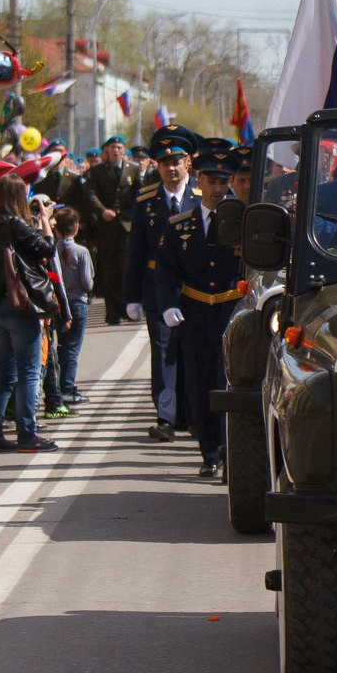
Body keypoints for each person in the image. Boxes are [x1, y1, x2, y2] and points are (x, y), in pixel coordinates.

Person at [164, 143, 249, 482]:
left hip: (232, 312)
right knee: (200, 387)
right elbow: (167, 269)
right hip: (195, 312)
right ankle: (209, 453)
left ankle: (233, 452)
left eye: (223, 182)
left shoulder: (243, 220)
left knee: (231, 387)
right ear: (199, 180)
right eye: (211, 182)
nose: (218, 189)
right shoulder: (180, 225)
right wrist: (169, 303)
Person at [0, 174, 61, 454]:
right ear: (19, 197)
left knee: (7, 370)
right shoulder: (15, 224)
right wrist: (45, 219)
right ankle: (27, 434)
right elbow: (47, 249)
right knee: (29, 371)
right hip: (21, 305)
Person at [125, 129, 204, 440]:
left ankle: (193, 415)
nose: (171, 169)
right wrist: (131, 296)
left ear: (188, 164)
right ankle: (166, 418)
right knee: (163, 352)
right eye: (164, 163)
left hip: (195, 289)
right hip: (157, 288)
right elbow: (134, 251)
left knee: (192, 352)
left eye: (176, 162)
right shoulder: (146, 201)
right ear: (156, 167)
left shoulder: (201, 196)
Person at [72, 137, 135, 326]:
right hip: (107, 226)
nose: (116, 151)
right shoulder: (98, 171)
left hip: (127, 224)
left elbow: (138, 194)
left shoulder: (133, 169)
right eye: (112, 148)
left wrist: (131, 214)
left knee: (127, 267)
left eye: (119, 147)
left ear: (124, 150)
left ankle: (127, 307)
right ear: (106, 151)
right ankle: (112, 312)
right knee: (110, 269)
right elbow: (90, 194)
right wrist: (101, 211)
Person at [52, 205, 94, 405]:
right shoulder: (81, 251)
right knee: (72, 349)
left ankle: (58, 386)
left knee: (61, 346)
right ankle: (67, 388)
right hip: (77, 302)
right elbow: (87, 282)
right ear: (76, 226)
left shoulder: (52, 250)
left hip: (59, 303)